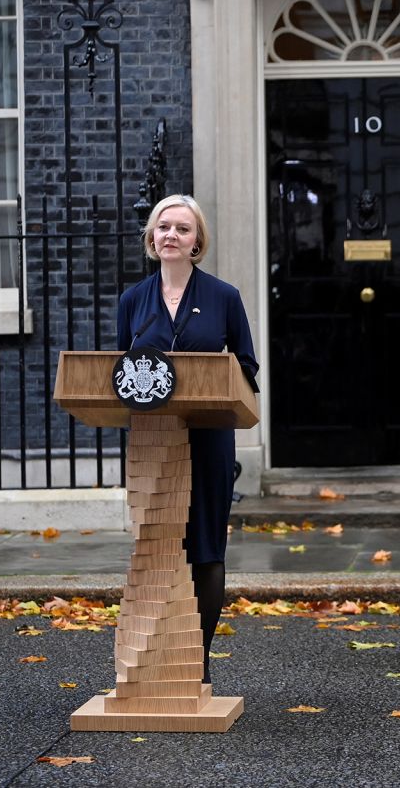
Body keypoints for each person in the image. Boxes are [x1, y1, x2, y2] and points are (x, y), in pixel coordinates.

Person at [116, 193, 258, 683]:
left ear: (197, 241)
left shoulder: (224, 297)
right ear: (151, 237)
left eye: (182, 228)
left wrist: (211, 377)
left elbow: (246, 364)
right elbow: (121, 371)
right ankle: (154, 663)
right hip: (153, 441)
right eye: (163, 227)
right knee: (157, 547)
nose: (171, 235)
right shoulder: (133, 300)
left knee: (204, 548)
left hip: (209, 436)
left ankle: (197, 664)